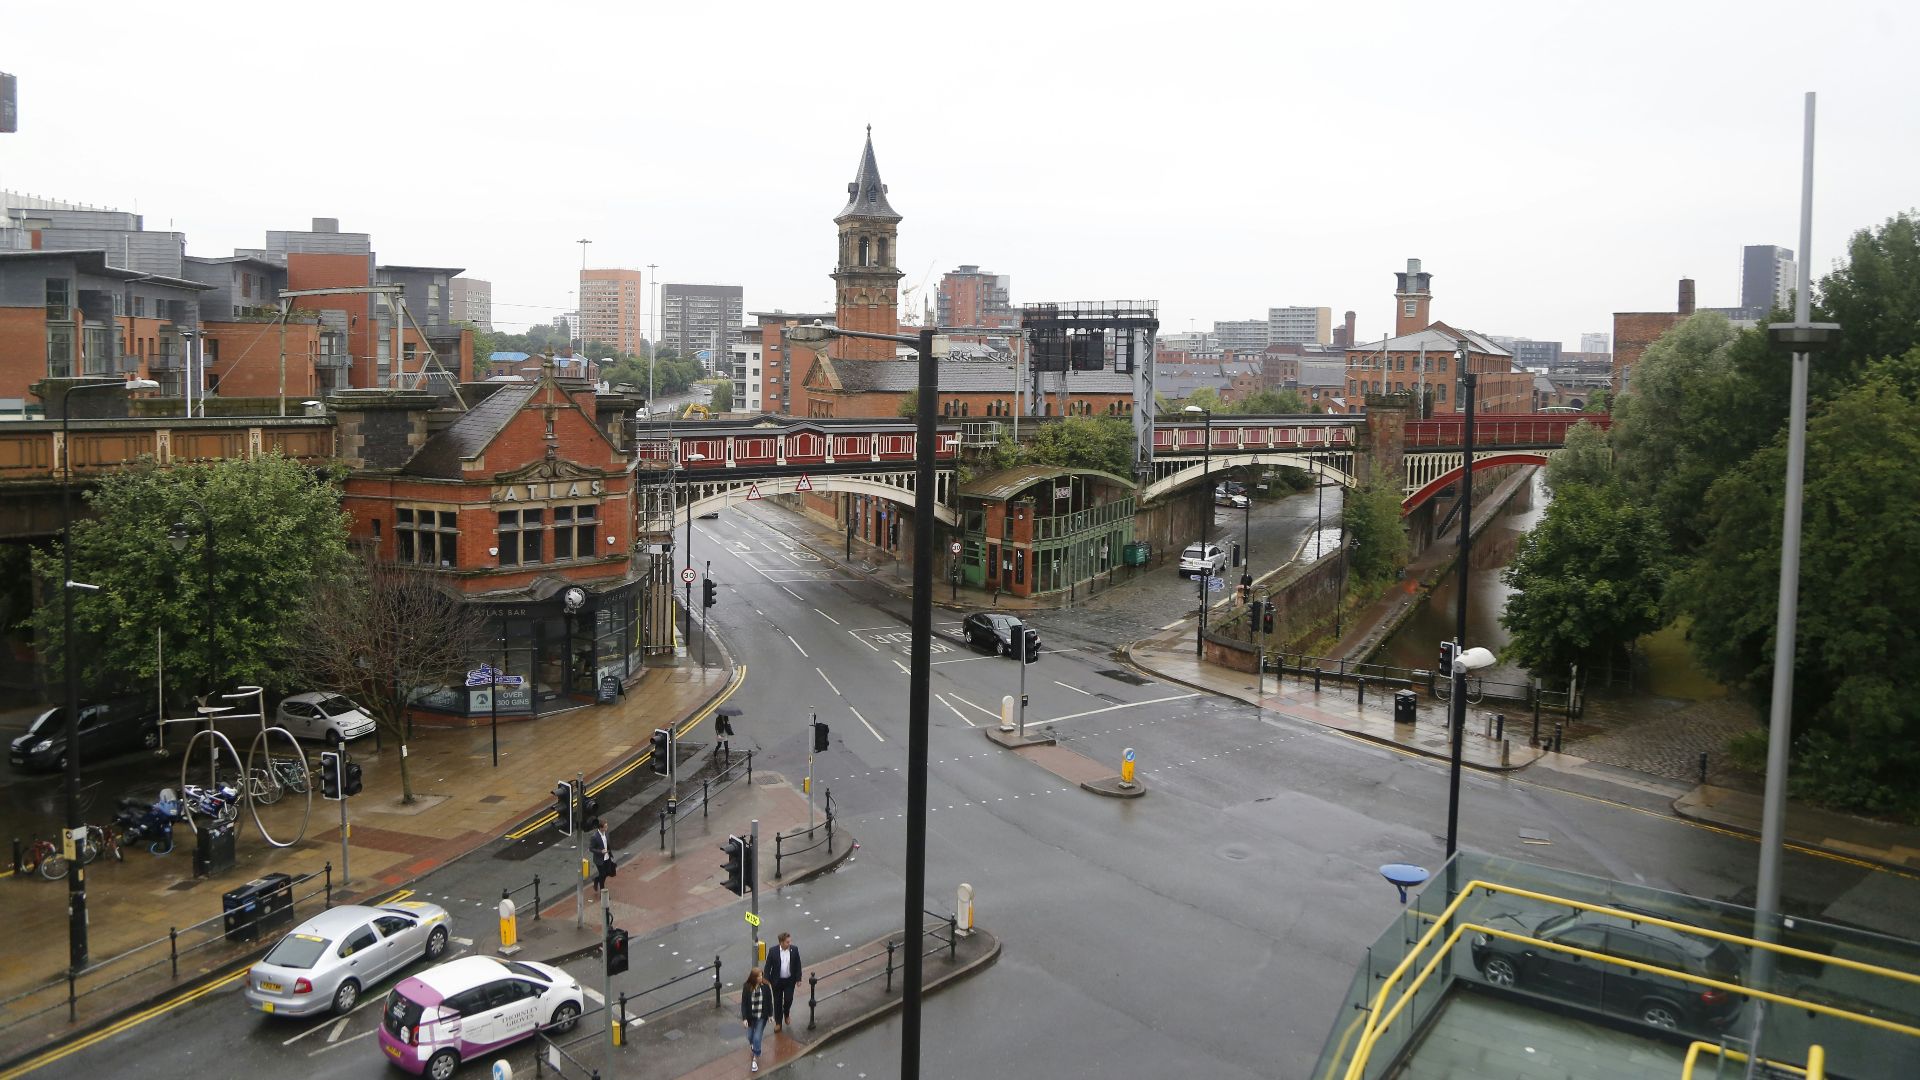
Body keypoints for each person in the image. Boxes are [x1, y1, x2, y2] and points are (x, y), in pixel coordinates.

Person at [763, 931, 803, 1032]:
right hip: (777, 981)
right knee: (777, 1002)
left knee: (788, 999)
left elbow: (798, 965)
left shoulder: (794, 949)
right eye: (787, 942)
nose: (789, 944)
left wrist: (798, 979)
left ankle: (787, 1013)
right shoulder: (773, 951)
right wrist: (766, 978)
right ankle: (778, 1023)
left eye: (790, 941)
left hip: (790, 980)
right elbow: (768, 966)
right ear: (781, 942)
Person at [740, 968, 774, 1072]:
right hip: (751, 1017)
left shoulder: (765, 987)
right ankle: (754, 1046)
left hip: (761, 1017)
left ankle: (755, 1057)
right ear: (753, 977)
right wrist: (744, 1018)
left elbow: (769, 1002)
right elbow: (744, 1004)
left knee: (757, 1037)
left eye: (761, 975)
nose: (761, 978)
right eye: (758, 976)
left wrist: (770, 1015)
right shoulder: (747, 987)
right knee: (750, 1036)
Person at [588, 819, 615, 895]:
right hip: (599, 860)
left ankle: (596, 880)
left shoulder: (606, 833)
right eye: (605, 826)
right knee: (602, 875)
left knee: (609, 872)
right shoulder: (595, 837)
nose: (607, 828)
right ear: (601, 828)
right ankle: (603, 893)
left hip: (607, 857)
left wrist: (609, 853)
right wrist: (600, 851)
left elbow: (608, 844)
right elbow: (591, 848)